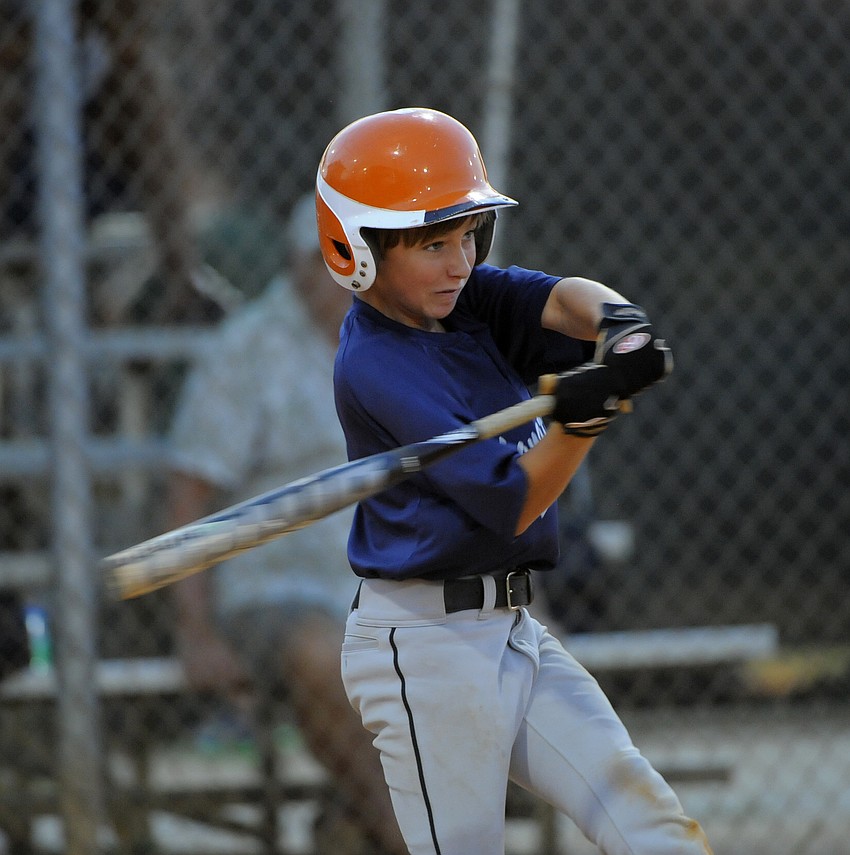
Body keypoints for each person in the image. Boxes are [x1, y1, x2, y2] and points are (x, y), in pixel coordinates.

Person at [315, 107, 713, 855]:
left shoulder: (464, 303)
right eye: (434, 244)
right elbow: (513, 498)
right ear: (358, 250)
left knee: (644, 816)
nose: (459, 261)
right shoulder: (377, 362)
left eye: (467, 236)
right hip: (424, 649)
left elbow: (558, 298)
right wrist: (579, 424)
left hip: (511, 631)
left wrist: (619, 327)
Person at [167, 195, 407, 854]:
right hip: (278, 586)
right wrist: (195, 628)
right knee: (325, 656)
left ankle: (355, 822)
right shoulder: (244, 349)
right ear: (301, 266)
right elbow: (190, 494)